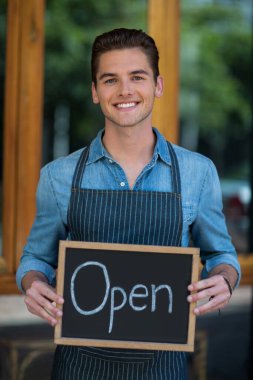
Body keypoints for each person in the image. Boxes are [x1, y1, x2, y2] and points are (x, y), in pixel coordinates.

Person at [16, 28, 240, 379]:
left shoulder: (198, 172)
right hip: (79, 366)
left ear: (158, 85)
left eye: (137, 77)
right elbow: (35, 259)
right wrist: (32, 284)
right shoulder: (57, 176)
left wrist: (225, 280)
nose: (124, 91)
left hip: (163, 368)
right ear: (94, 91)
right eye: (110, 80)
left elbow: (221, 255)